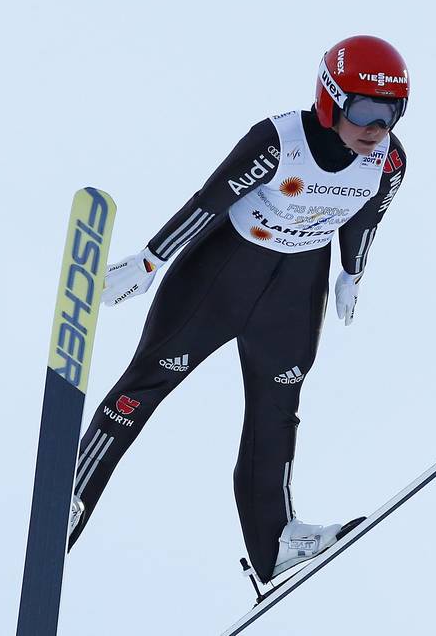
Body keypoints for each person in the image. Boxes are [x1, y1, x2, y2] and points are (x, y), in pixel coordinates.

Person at [67, 35, 411, 584]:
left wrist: (353, 274)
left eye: (390, 112)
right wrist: (150, 262)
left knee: (277, 411)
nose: (376, 126)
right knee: (148, 382)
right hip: (224, 273)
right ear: (330, 100)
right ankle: (73, 496)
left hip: (295, 290)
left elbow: (364, 220)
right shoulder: (278, 141)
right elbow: (209, 202)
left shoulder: (389, 162)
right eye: (364, 109)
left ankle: (276, 542)